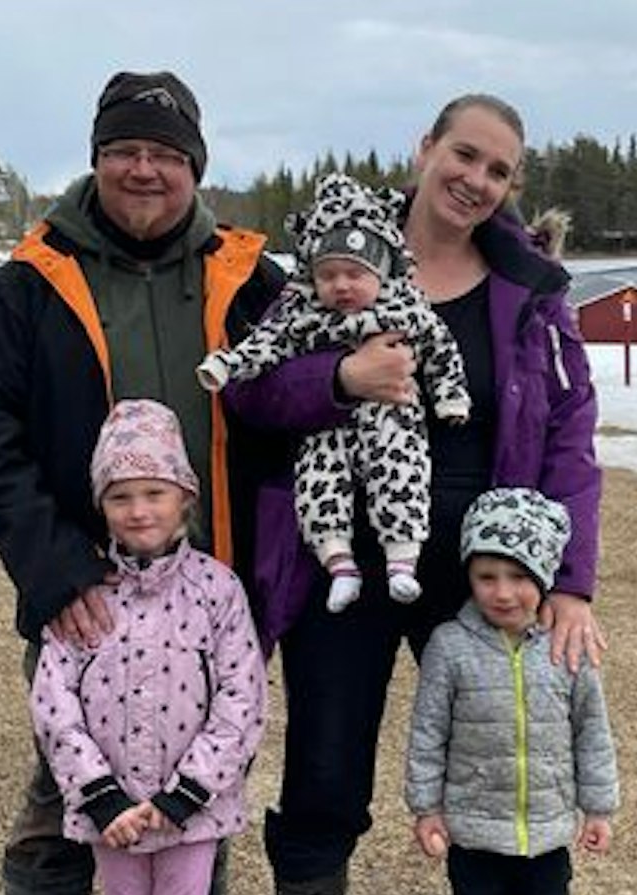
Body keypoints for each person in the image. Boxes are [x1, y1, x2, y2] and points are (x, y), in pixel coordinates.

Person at [220, 92, 628, 895]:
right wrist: (338, 380)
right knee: (325, 768)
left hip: (482, 570)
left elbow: (569, 433)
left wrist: (570, 581)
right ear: (424, 149)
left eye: (498, 170)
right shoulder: (334, 260)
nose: (476, 180)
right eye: (464, 154)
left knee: (507, 757)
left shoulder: (528, 290)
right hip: (343, 561)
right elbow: (250, 394)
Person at [0, 69, 287, 895]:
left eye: (167, 154)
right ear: (97, 159)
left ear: (195, 169)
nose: (146, 169)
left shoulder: (251, 280)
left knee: (205, 767)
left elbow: (304, 394)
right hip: (83, 596)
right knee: (64, 780)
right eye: (126, 150)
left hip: (212, 591)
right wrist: (55, 570)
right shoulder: (27, 283)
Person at [32, 399, 267, 895]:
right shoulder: (82, 596)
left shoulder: (218, 591)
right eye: (121, 496)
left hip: (189, 813)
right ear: (101, 505)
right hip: (113, 814)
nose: (139, 511)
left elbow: (242, 697)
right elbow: (53, 701)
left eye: (154, 493)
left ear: (184, 497)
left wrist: (186, 794)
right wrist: (100, 795)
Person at [406, 488, 622, 895]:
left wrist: (598, 808)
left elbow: (592, 731)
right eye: (487, 576)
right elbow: (427, 734)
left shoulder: (566, 647)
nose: (503, 592)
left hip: (546, 832)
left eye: (520, 577)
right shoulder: (449, 647)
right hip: (475, 831)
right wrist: (426, 808)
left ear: (545, 576)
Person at [197, 171, 469, 613]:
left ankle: (402, 561)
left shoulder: (407, 310)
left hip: (391, 418)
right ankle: (340, 565)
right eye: (328, 275)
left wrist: (449, 395)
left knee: (401, 472)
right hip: (326, 428)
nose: (341, 286)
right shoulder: (301, 315)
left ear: (381, 271)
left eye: (354, 274)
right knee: (318, 484)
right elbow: (265, 345)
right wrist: (227, 365)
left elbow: (442, 349)